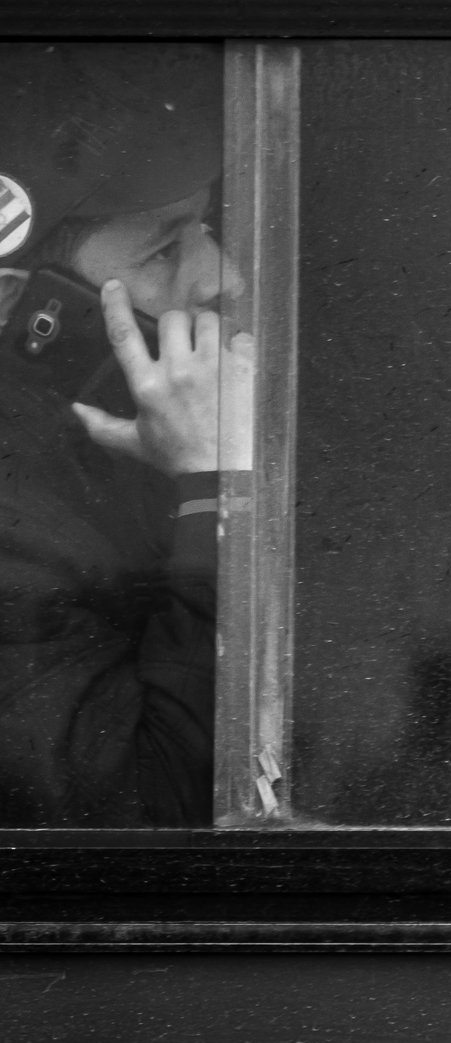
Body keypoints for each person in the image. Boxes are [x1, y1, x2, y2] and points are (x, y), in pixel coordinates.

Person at [0, 45, 250, 825]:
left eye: (205, 230)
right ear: (32, 307)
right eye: (165, 249)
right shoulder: (16, 522)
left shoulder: (108, 446)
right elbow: (153, 816)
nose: (224, 277)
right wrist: (216, 488)